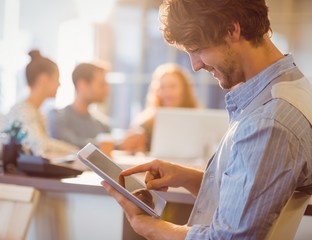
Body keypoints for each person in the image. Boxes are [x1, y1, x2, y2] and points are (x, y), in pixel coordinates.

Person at [102, 0, 312, 239]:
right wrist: (186, 177)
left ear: (232, 30)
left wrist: (145, 225)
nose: (195, 65)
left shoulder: (269, 121)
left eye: (197, 49)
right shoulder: (290, 88)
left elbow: (227, 237)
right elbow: (254, 195)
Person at [1, 50, 78, 155]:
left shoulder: (37, 112)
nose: (59, 84)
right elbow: (40, 145)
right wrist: (76, 152)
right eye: (57, 78)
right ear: (44, 79)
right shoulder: (23, 111)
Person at [120, 63, 199, 153]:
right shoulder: (145, 124)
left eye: (172, 87)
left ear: (184, 91)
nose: (167, 93)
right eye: (162, 87)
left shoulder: (197, 122)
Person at [47, 62, 110, 149]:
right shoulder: (58, 117)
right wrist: (113, 145)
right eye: (102, 84)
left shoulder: (102, 125)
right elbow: (70, 144)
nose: (107, 90)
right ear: (82, 85)